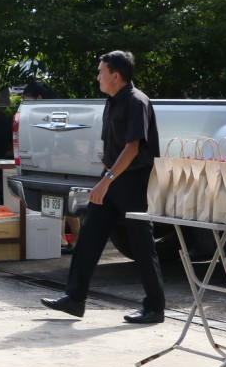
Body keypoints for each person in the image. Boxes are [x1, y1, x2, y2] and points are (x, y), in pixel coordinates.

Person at [41, 51, 165, 324]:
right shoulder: (111, 101)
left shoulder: (136, 102)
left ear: (115, 76)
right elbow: (113, 147)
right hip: (112, 179)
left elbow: (132, 148)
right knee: (89, 236)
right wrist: (105, 177)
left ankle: (155, 307)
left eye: (101, 71)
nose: (97, 76)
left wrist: (106, 179)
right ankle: (75, 298)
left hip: (133, 181)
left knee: (141, 244)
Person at [22, 81, 81, 254]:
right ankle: (71, 238)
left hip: (55, 163)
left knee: (57, 200)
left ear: (39, 98)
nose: (25, 103)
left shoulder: (48, 114)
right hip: (60, 162)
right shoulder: (59, 111)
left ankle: (63, 239)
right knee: (62, 201)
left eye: (28, 99)